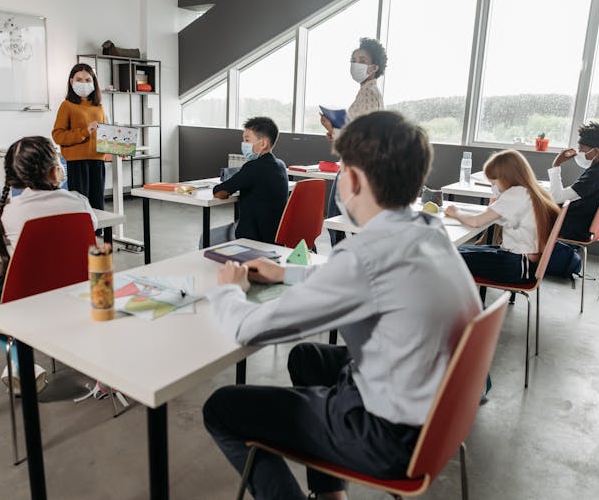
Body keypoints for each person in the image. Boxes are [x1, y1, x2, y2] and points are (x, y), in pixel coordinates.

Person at [203, 111, 482, 500]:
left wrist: (228, 289)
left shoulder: (365, 254)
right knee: (308, 358)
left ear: (351, 179)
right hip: (438, 412)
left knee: (222, 408)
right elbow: (367, 284)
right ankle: (331, 494)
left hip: (387, 436)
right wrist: (288, 275)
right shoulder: (428, 234)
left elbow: (248, 329)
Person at [0, 136, 97, 393]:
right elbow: (89, 227)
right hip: (76, 296)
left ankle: (20, 362)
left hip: (27, 303)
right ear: (54, 169)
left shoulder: (10, 212)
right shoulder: (79, 202)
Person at [445, 149, 560, 289]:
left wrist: (455, 212)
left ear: (505, 178)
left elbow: (476, 222)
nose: (494, 187)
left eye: (494, 183)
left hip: (516, 266)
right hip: (523, 262)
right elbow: (512, 221)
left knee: (446, 259)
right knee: (452, 253)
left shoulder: (515, 194)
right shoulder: (532, 191)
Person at [322, 37, 387, 246]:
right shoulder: (366, 93)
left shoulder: (369, 95)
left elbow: (361, 138)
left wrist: (333, 129)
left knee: (339, 223)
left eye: (362, 59)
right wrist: (335, 133)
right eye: (354, 58)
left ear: (374, 67)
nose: (356, 63)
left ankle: (344, 269)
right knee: (342, 223)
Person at [207, 117, 288, 245]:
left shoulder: (254, 167)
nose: (244, 144)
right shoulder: (280, 165)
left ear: (263, 143)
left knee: (206, 238)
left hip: (254, 235)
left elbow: (219, 191)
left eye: (247, 140)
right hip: (275, 234)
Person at [548, 121, 599, 241]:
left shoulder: (597, 173)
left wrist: (556, 164)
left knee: (532, 208)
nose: (579, 153)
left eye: (582, 149)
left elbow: (557, 197)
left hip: (573, 226)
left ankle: (519, 255)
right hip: (584, 223)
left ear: (596, 151)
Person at [52, 63, 107, 213]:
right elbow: (58, 135)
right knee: (81, 205)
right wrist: (84, 132)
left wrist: (116, 148)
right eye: (79, 79)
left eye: (88, 80)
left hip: (98, 161)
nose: (84, 83)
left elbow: (105, 135)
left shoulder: (99, 107)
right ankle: (83, 234)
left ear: (94, 82)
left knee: (98, 204)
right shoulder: (67, 105)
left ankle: (98, 235)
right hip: (77, 162)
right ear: (71, 82)